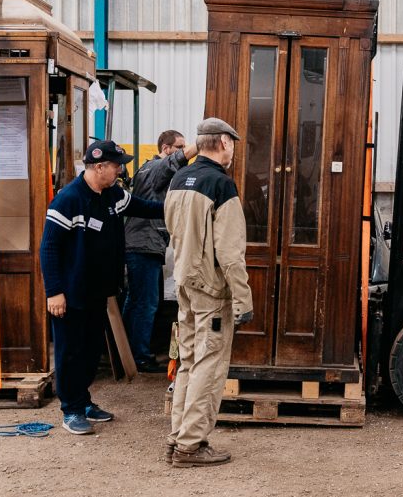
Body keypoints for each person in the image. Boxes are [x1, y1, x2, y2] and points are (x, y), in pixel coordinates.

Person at [40, 140, 165, 435]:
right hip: (70, 295)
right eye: (116, 165)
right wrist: (54, 292)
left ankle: (83, 402)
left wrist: (179, 205)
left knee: (91, 350)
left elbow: (143, 207)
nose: (120, 170)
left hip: (99, 293)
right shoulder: (68, 200)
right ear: (99, 167)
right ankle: (70, 409)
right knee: (71, 352)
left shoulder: (111, 194)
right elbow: (49, 249)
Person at [164, 118, 253, 468]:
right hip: (212, 291)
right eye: (233, 143)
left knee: (187, 360)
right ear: (223, 143)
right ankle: (191, 446)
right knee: (209, 364)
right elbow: (231, 252)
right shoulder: (221, 184)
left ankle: (177, 439)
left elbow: (172, 231)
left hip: (184, 283)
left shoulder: (178, 179)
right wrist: (243, 301)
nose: (233, 149)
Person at [123, 130, 199, 373]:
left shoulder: (147, 170)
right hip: (143, 244)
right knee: (146, 303)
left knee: (136, 301)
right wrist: (202, 143)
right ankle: (140, 357)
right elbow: (173, 163)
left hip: (145, 244)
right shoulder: (155, 168)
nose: (182, 151)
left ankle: (126, 351)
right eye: (179, 147)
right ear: (166, 148)